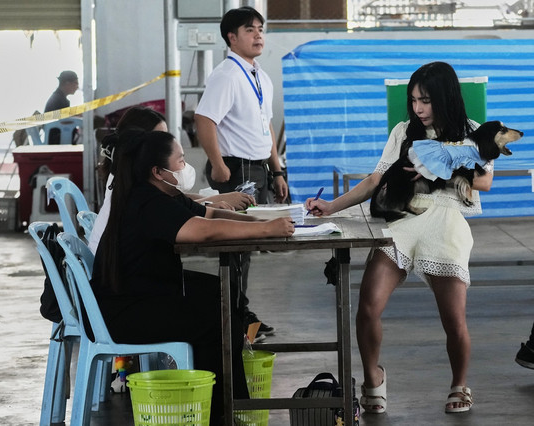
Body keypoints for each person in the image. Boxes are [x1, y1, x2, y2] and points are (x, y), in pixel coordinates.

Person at [306, 62, 492, 414]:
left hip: (446, 223)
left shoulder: (473, 133)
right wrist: (330, 207)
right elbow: (375, 180)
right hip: (403, 222)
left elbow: (483, 181)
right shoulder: (403, 132)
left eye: (426, 100)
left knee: (454, 321)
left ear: (445, 97)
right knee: (367, 306)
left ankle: (459, 384)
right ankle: (373, 378)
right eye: (414, 100)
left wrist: (437, 169)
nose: (418, 108)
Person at [91, 129, 294, 425]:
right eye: (181, 161)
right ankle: (221, 412)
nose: (185, 167)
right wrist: (263, 230)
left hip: (137, 296)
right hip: (123, 314)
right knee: (216, 318)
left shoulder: (159, 193)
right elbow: (202, 230)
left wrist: (258, 222)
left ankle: (232, 403)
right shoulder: (147, 201)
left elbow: (208, 215)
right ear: (158, 171)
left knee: (219, 293)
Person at [194, 6, 287, 339]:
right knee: (236, 245)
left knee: (246, 247)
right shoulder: (227, 75)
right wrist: (218, 164)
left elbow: (266, 126)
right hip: (235, 169)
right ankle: (234, 318)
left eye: (261, 28)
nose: (258, 35)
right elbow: (204, 119)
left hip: (257, 168)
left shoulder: (260, 75)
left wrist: (277, 170)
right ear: (232, 38)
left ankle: (239, 312)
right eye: (250, 29)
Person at [87, 106, 257, 255]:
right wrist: (264, 227)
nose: (164, 143)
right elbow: (194, 223)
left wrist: (212, 202)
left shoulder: (132, 176)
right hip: (120, 274)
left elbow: (176, 202)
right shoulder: (135, 188)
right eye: (158, 137)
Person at [44, 70, 79, 144]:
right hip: (57, 141)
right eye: (76, 83)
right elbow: (64, 120)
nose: (77, 87)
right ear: (67, 83)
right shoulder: (58, 99)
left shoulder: (58, 97)